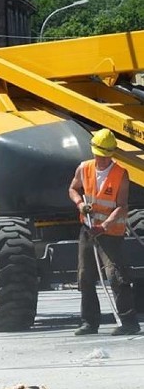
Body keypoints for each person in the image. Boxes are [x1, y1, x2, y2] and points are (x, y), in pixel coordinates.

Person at [68, 128, 140, 336]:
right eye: (99, 154)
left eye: (105, 155)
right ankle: (89, 323)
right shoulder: (84, 168)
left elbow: (122, 206)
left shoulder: (120, 174)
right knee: (85, 276)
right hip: (88, 230)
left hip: (110, 232)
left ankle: (129, 322)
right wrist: (80, 203)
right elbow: (73, 188)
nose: (101, 159)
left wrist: (105, 225)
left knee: (115, 275)